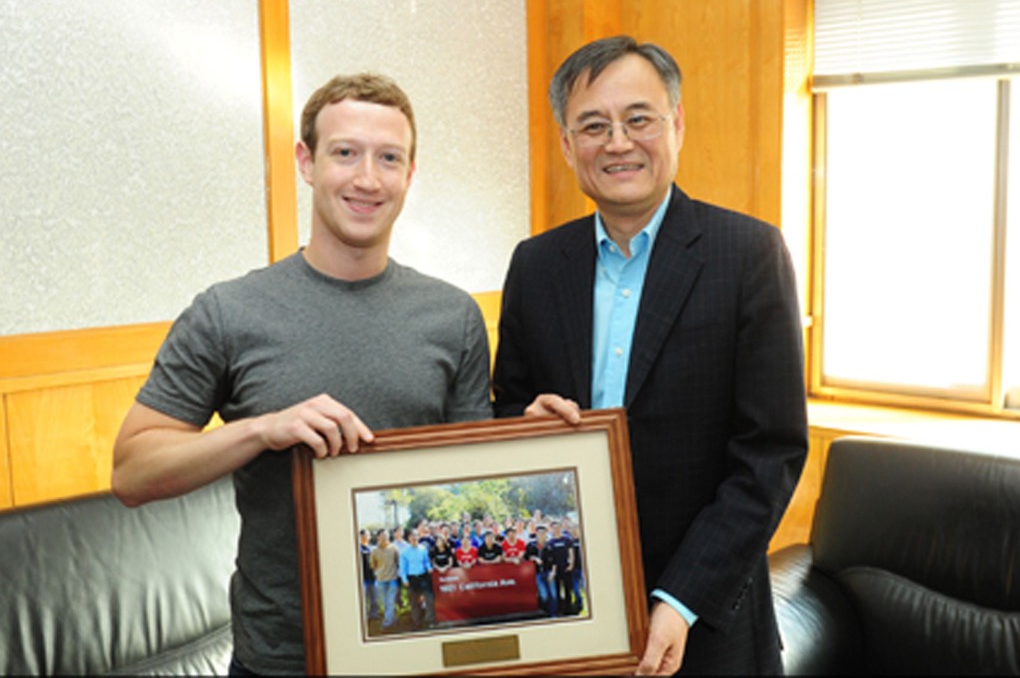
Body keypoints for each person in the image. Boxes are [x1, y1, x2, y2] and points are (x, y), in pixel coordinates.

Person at [111, 72, 493, 676]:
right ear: (307, 162)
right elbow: (132, 472)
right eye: (345, 153)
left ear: (410, 175)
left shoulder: (455, 318)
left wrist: (545, 440)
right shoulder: (227, 311)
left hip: (418, 646)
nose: (367, 178)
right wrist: (261, 431)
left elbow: (471, 484)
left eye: (388, 158)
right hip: (282, 657)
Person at [492, 35, 807, 675]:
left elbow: (770, 454)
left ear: (677, 124)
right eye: (593, 125)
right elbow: (505, 416)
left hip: (707, 618)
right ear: (565, 143)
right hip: (569, 615)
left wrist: (681, 598)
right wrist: (524, 430)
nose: (618, 142)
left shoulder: (748, 254)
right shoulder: (536, 264)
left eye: (639, 119)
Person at [398, 530, 434, 629]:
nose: (414, 538)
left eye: (416, 536)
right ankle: (417, 622)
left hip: (423, 577)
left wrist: (429, 567)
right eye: (412, 536)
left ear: (418, 537)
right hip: (411, 579)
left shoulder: (423, 549)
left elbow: (426, 561)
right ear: (409, 538)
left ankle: (429, 621)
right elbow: (402, 568)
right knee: (414, 602)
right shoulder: (404, 552)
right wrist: (404, 579)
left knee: (429, 599)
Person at [370, 529, 401, 629]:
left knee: (390, 601)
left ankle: (387, 623)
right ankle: (393, 618)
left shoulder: (394, 548)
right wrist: (378, 572)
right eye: (383, 535)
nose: (385, 537)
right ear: (378, 537)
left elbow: (398, 562)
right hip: (380, 580)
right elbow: (372, 564)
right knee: (384, 602)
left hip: (392, 579)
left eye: (386, 535)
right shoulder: (374, 550)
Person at [359, 529, 380, 622]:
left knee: (374, 599)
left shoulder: (373, 549)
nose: (366, 537)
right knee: (363, 600)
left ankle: (374, 615)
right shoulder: (358, 549)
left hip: (373, 578)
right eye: (363, 535)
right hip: (362, 578)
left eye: (367, 535)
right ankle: (363, 617)